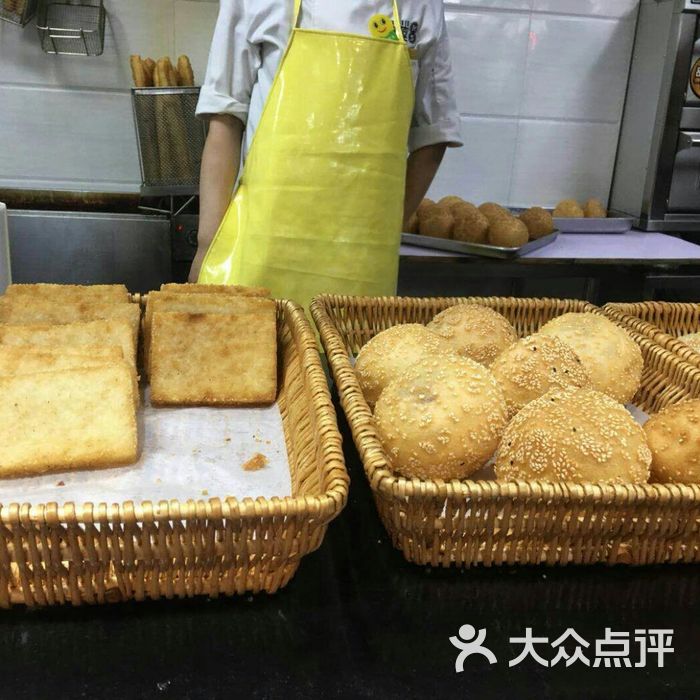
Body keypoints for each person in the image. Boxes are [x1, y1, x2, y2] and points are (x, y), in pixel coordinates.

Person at [191, 0, 462, 309]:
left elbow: (434, 136)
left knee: (349, 356)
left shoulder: (421, 6)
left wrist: (382, 235)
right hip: (257, 253)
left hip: (361, 269)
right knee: (256, 351)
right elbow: (225, 120)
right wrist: (206, 249)